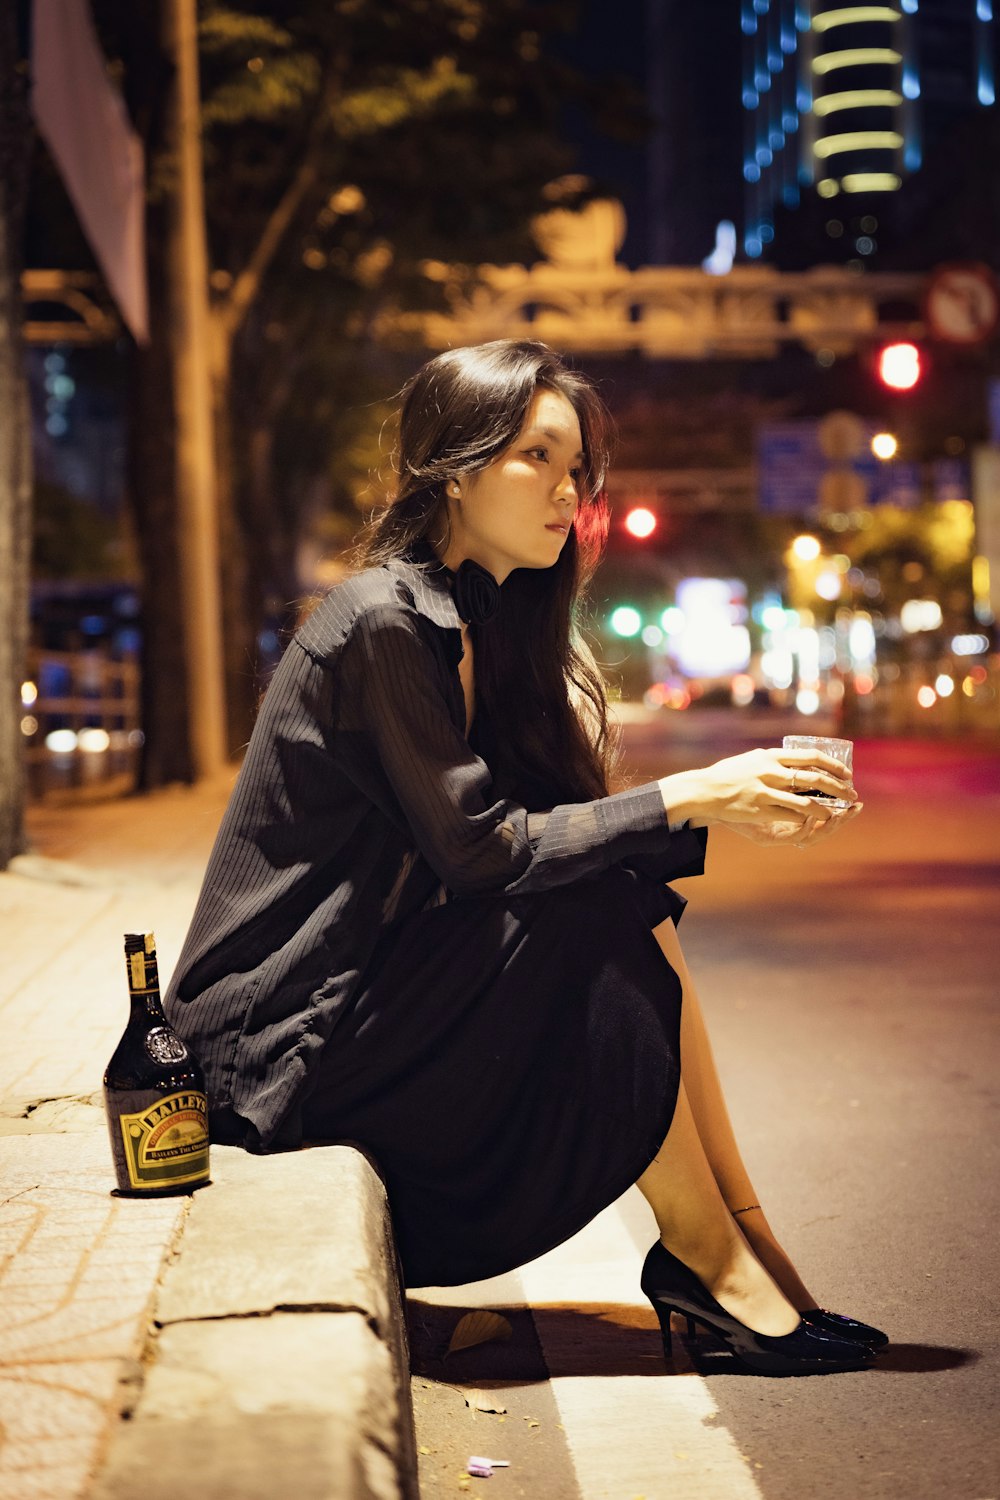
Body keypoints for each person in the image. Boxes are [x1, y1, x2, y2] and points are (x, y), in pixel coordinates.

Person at [164, 338, 886, 1377]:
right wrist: (690, 794)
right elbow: (482, 855)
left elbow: (543, 836)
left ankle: (743, 1245)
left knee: (623, 889)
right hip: (275, 1049)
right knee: (593, 911)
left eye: (577, 468)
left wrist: (721, 811)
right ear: (452, 466)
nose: (568, 492)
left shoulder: (479, 621)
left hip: (361, 998)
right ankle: (707, 1259)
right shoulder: (379, 622)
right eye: (537, 459)